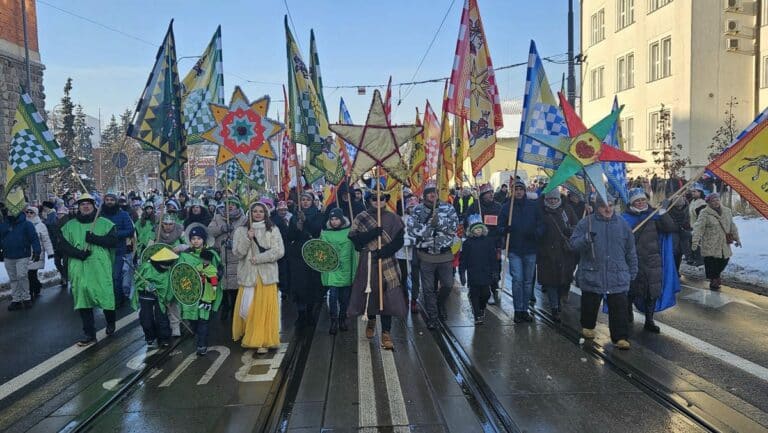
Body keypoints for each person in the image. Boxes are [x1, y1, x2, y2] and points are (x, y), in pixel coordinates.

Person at [570, 192, 637, 350]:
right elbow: (573, 244)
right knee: (590, 303)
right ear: (596, 207)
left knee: (619, 307)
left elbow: (630, 250)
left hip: (617, 273)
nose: (607, 209)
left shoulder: (622, 224)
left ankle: (620, 336)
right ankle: (587, 326)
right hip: (593, 272)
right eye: (603, 206)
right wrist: (586, 239)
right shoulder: (587, 223)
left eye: (611, 206)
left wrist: (632, 270)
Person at [348, 189, 406, 350]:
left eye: (381, 198)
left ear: (386, 200)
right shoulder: (361, 217)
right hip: (368, 260)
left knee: (387, 294)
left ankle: (386, 332)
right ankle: (371, 320)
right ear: (369, 200)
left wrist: (384, 252)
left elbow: (399, 241)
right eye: (374, 198)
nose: (378, 201)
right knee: (371, 292)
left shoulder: (394, 218)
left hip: (387, 259)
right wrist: (372, 233)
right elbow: (356, 242)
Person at [59, 193, 119, 346]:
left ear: (94, 206)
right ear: (78, 207)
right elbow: (63, 246)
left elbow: (113, 242)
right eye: (82, 204)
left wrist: (95, 238)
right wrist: (78, 254)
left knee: (105, 296)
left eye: (88, 203)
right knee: (83, 300)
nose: (85, 206)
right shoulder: (69, 226)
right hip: (79, 267)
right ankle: (89, 334)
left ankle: (110, 322)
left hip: (100, 267)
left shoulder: (105, 223)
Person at [621, 188, 678, 333]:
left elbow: (670, 228)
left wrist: (663, 213)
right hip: (633, 261)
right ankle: (627, 315)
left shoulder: (654, 215)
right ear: (631, 202)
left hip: (653, 260)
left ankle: (649, 320)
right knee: (631, 291)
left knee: (651, 292)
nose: (640, 203)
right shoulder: (624, 218)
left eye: (643, 200)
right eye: (637, 201)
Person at [232, 202, 285, 353]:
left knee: (263, 309)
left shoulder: (273, 229)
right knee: (248, 308)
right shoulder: (241, 230)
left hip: (266, 275)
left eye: (261, 211)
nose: (257, 214)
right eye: (254, 211)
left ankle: (262, 340)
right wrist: (247, 238)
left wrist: (260, 258)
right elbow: (238, 253)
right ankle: (249, 333)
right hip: (248, 275)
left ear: (265, 213)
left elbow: (279, 251)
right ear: (250, 213)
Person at [407, 182, 459, 329]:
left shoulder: (448, 208)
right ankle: (433, 317)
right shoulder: (417, 210)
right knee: (428, 288)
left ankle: (439, 304)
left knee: (448, 285)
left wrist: (440, 222)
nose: (432, 194)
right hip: (426, 255)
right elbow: (413, 230)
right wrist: (430, 227)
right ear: (424, 196)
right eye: (429, 192)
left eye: (434, 192)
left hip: (445, 254)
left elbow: (454, 227)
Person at [499, 179, 544, 323]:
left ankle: (525, 309)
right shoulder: (507, 208)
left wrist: (537, 233)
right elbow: (499, 227)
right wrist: (506, 229)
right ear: (512, 191)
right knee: (517, 280)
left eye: (521, 189)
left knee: (527, 281)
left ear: (524, 191)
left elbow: (542, 224)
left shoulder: (533, 206)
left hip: (530, 249)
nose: (518, 192)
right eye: (516, 189)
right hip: (515, 249)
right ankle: (518, 310)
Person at [178, 225, 222, 355]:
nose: (196, 241)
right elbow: (181, 272)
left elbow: (218, 271)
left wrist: (210, 275)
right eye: (193, 238)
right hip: (191, 293)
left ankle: (201, 344)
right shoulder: (185, 255)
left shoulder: (210, 254)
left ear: (203, 239)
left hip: (206, 293)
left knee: (203, 319)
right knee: (193, 319)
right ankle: (199, 336)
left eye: (198, 238)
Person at [536, 189, 578, 322]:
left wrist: (570, 230)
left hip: (565, 253)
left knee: (563, 280)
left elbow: (576, 226)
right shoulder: (541, 212)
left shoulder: (567, 210)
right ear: (546, 200)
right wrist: (539, 231)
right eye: (550, 199)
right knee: (550, 283)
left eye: (555, 199)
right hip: (547, 253)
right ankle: (554, 307)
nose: (553, 201)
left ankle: (559, 302)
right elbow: (535, 231)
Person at [286, 192, 325, 327]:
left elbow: (317, 230)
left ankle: (310, 312)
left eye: (308, 200)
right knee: (299, 285)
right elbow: (290, 236)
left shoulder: (318, 215)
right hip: (298, 255)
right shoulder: (294, 217)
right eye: (303, 200)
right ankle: (301, 313)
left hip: (312, 253)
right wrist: (297, 228)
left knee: (312, 284)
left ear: (312, 201)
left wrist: (306, 222)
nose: (305, 202)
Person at [208, 197, 247, 320]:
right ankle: (225, 307)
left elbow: (247, 236)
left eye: (232, 204)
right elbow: (209, 231)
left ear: (236, 206)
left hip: (236, 257)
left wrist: (236, 243)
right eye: (227, 204)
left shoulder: (243, 219)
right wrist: (222, 229)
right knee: (222, 286)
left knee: (235, 286)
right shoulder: (218, 217)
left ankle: (236, 311)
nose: (229, 206)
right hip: (221, 256)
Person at [691, 193, 741, 291]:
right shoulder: (704, 213)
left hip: (723, 242)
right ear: (709, 202)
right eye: (713, 201)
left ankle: (715, 276)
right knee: (711, 262)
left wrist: (737, 238)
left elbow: (732, 226)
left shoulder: (727, 211)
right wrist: (695, 241)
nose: (716, 202)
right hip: (710, 242)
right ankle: (714, 279)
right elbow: (699, 227)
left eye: (717, 200)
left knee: (724, 259)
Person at [320, 208, 357, 334]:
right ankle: (333, 321)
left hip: (346, 269)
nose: (334, 222)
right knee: (333, 297)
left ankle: (342, 319)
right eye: (332, 219)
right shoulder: (325, 234)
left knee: (344, 298)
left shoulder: (350, 232)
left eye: (337, 219)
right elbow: (322, 252)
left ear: (341, 219)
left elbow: (354, 253)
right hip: (332, 269)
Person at [465, 183, 503, 304]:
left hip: (494, 243)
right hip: (479, 243)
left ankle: (494, 286)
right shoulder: (475, 206)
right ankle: (477, 289)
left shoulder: (498, 207)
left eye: (492, 192)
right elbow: (468, 222)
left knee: (495, 266)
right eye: (488, 193)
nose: (491, 194)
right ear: (482, 195)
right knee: (479, 266)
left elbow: (503, 222)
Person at [132, 247, 176, 348]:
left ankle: (164, 338)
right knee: (146, 318)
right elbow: (137, 279)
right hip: (146, 296)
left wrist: (167, 298)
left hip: (161, 297)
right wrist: (145, 286)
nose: (165, 267)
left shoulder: (168, 270)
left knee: (162, 317)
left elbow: (169, 286)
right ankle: (149, 335)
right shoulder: (146, 267)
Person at [0, 204, 41, 310]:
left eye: (12, 210)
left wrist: (37, 251)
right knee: (13, 278)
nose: (10, 212)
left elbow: (34, 238)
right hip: (8, 255)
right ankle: (16, 300)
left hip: (22, 255)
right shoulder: (4, 225)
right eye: (8, 210)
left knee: (22, 276)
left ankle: (26, 298)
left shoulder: (27, 224)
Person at [460, 214, 497, 325]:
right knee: (474, 294)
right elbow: (464, 260)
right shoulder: (467, 243)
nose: (478, 230)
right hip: (473, 272)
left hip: (485, 272)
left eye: (480, 228)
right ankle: (476, 314)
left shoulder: (488, 242)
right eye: (476, 228)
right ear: (471, 230)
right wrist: (462, 273)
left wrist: (495, 271)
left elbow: (492, 258)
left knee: (485, 293)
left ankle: (482, 306)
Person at [100, 193, 135, 306]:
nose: (109, 202)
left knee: (116, 276)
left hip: (119, 251)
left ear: (116, 202)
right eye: (107, 200)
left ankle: (118, 299)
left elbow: (130, 230)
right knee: (106, 277)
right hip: (103, 251)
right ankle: (108, 297)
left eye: (111, 200)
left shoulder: (123, 214)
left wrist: (115, 234)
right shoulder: (100, 215)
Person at [24, 207, 54, 301]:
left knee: (31, 273)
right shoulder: (23, 224)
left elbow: (46, 239)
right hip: (25, 253)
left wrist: (50, 252)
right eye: (27, 212)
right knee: (28, 273)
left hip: (37, 253)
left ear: (35, 214)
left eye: (31, 212)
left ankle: (32, 291)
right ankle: (36, 287)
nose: (29, 214)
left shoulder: (41, 225)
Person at [396, 197, 420, 314]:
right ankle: (404, 298)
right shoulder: (401, 219)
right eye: (410, 207)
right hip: (402, 253)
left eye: (414, 206)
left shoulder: (421, 219)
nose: (413, 209)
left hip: (417, 253)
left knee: (416, 277)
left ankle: (414, 300)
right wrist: (403, 241)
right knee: (403, 277)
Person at [271, 201, 291, 299]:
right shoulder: (275, 220)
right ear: (277, 210)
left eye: (285, 210)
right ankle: (281, 289)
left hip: (286, 248)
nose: (283, 212)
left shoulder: (288, 219)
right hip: (279, 248)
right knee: (280, 270)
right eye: (281, 210)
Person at [667, 197, 692, 271]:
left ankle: (687, 257)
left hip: (683, 231)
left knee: (680, 251)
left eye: (681, 206)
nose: (679, 208)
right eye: (677, 207)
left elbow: (688, 219)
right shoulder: (669, 210)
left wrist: (686, 227)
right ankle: (673, 270)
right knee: (674, 251)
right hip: (673, 231)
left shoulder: (686, 208)